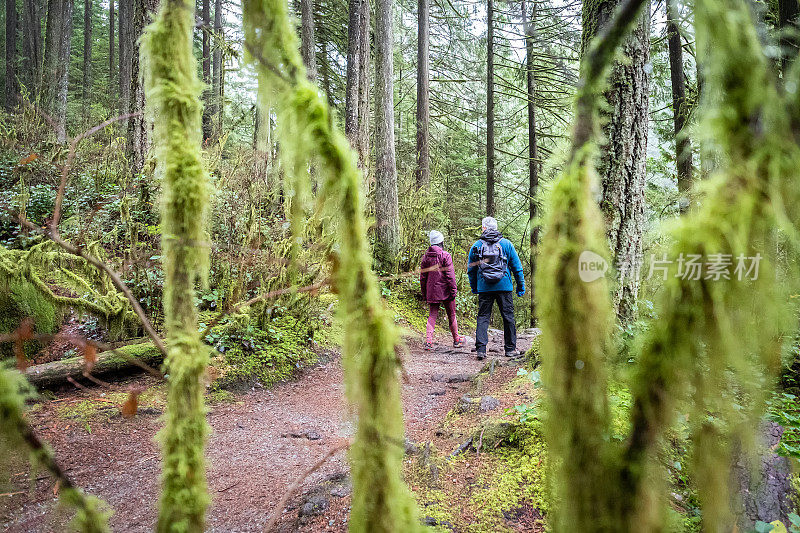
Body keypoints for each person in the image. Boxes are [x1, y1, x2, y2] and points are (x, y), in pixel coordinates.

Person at [467, 217, 525, 360]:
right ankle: (510, 349)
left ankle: (481, 350)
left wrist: (475, 287)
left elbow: (471, 270)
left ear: (484, 228)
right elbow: (517, 268)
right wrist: (520, 286)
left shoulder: (476, 246)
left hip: (484, 287)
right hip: (504, 287)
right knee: (508, 318)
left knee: (483, 317)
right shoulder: (506, 244)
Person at [420, 230, 463, 351]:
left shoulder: (425, 258)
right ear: (441, 242)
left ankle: (428, 341)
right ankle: (456, 340)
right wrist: (453, 290)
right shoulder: (445, 255)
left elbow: (423, 278)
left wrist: (424, 294)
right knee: (452, 314)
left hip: (432, 292)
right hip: (446, 291)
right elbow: (450, 276)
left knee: (432, 315)